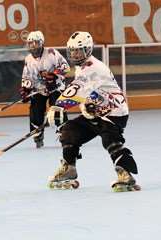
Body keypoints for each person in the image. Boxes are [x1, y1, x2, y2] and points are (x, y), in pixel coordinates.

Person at [46, 31, 140, 192]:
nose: (75, 54)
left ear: (88, 50)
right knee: (69, 130)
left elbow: (77, 89)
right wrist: (86, 107)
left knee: (109, 138)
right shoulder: (81, 67)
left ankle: (126, 175)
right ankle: (69, 168)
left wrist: (59, 105)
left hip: (114, 111)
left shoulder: (94, 67)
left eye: (78, 50)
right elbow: (85, 95)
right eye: (72, 50)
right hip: (96, 110)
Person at [19, 30, 70, 148]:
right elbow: (27, 76)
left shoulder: (52, 53)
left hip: (55, 87)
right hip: (39, 89)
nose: (32, 46)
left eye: (35, 43)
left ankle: (65, 133)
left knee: (57, 107)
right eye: (30, 43)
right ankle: (37, 135)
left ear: (41, 43)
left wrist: (54, 76)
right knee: (35, 109)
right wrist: (25, 89)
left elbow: (65, 67)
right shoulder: (28, 59)